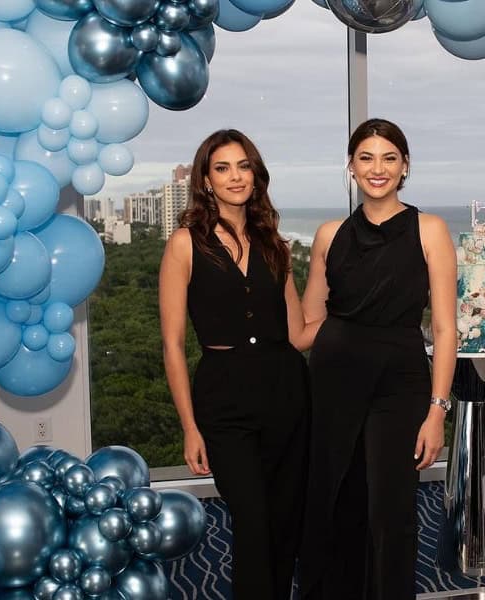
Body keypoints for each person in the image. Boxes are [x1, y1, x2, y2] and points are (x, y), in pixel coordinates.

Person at [299, 118, 458, 600]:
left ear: (405, 167)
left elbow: (447, 330)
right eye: (366, 158)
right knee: (334, 504)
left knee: (389, 512)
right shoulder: (328, 235)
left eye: (389, 158)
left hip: (399, 383)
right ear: (350, 167)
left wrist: (437, 410)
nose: (377, 168)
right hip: (332, 381)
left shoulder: (430, 230)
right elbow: (306, 329)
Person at [159, 129, 316, 600]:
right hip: (223, 404)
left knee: (286, 524)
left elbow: (297, 334)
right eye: (222, 168)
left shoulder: (275, 245)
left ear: (255, 174)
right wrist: (190, 427)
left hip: (288, 395)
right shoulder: (185, 244)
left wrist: (355, 309)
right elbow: (171, 344)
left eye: (243, 166)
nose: (234, 177)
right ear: (205, 179)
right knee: (253, 522)